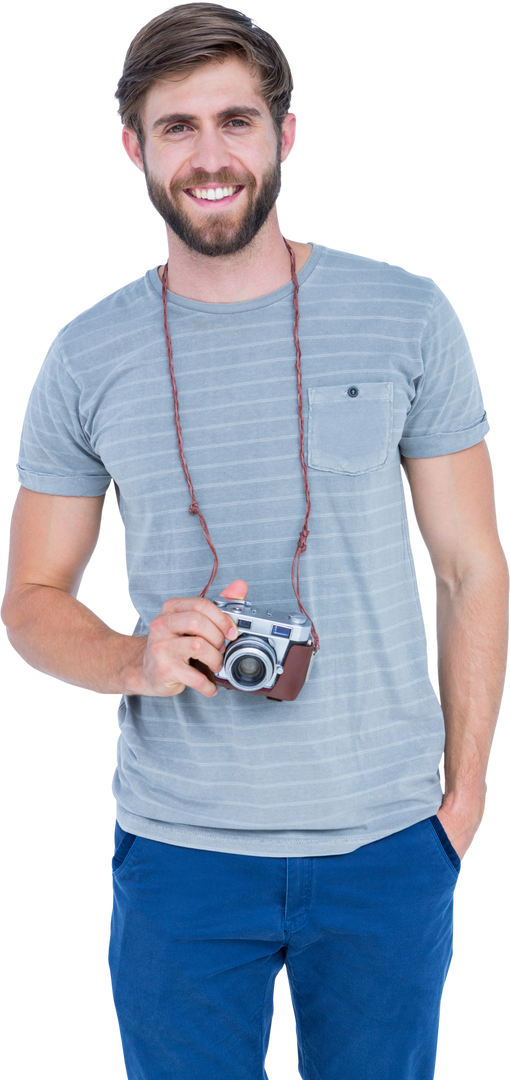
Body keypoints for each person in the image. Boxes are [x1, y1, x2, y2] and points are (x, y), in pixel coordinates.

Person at [2, 4, 508, 1078]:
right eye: (176, 126)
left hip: (389, 846)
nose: (211, 155)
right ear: (134, 149)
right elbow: (32, 599)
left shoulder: (408, 312)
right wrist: (133, 658)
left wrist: (461, 803)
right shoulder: (85, 353)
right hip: (181, 855)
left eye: (237, 119)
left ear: (286, 135)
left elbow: (472, 570)